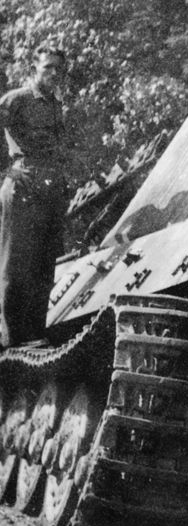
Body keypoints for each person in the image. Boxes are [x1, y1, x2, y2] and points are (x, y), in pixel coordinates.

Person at [0, 46, 71, 347]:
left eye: (58, 69)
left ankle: (34, 334)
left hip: (49, 190)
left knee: (44, 266)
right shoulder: (17, 99)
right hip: (24, 187)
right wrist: (6, 169)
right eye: (48, 67)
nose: (54, 73)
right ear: (34, 69)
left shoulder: (55, 104)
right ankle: (14, 338)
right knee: (17, 265)